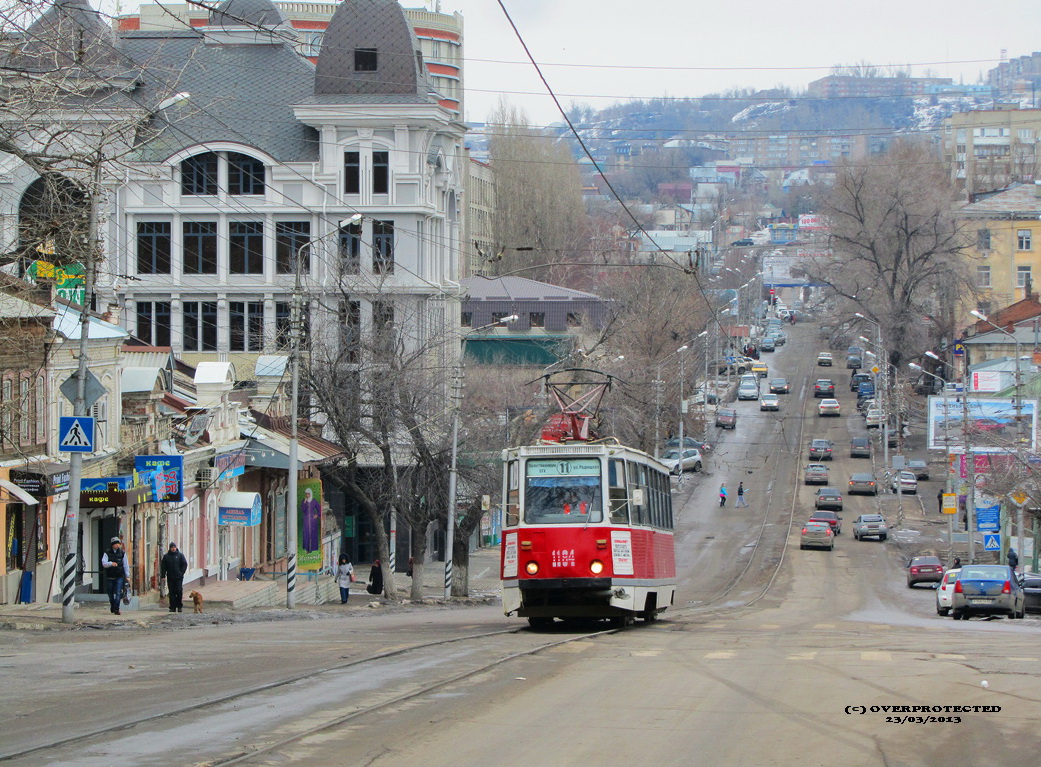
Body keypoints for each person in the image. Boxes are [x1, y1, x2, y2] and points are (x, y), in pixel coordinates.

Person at [101, 537, 130, 615]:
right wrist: (111, 564)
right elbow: (104, 563)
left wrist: (127, 576)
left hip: (119, 575)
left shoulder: (122, 553)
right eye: (116, 544)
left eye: (118, 544)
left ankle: (116, 608)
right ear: (112, 545)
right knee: (110, 593)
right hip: (110, 576)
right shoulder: (107, 553)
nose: (117, 545)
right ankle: (112, 604)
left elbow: (125, 565)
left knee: (118, 592)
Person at [160, 542, 188, 613]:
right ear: (170, 548)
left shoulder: (180, 556)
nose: (173, 548)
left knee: (178, 591)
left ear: (176, 548)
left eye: (174, 547)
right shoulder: (166, 557)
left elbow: (184, 564)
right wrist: (163, 576)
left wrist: (181, 573)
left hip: (179, 577)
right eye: (172, 547)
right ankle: (172, 607)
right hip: (170, 577)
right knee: (171, 592)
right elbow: (163, 567)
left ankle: (179, 606)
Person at [300, 486, 322, 553]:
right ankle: (307, 548)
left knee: (312, 534)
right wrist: (304, 502)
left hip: (312, 521)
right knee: (306, 533)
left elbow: (320, 509)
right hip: (306, 520)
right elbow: (302, 509)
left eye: (308, 494)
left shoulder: (314, 501)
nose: (307, 495)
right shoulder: (304, 501)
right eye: (306, 494)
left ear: (310, 494)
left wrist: (317, 515)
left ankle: (312, 548)